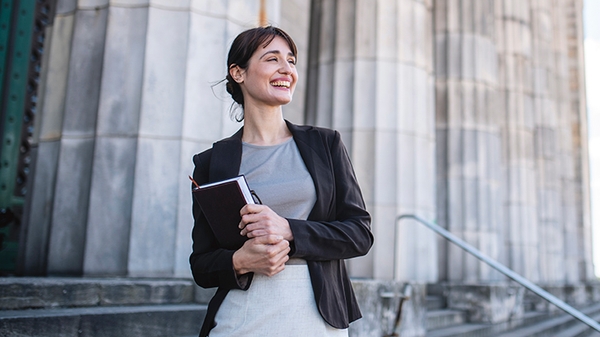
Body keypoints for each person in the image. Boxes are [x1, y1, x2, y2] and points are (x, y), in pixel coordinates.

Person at [189, 26, 373, 337]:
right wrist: (239, 260)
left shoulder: (325, 145)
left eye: (291, 60)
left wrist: (288, 229)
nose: (286, 69)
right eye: (272, 59)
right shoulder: (211, 162)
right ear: (238, 73)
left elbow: (359, 234)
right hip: (241, 317)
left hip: (316, 316)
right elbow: (202, 265)